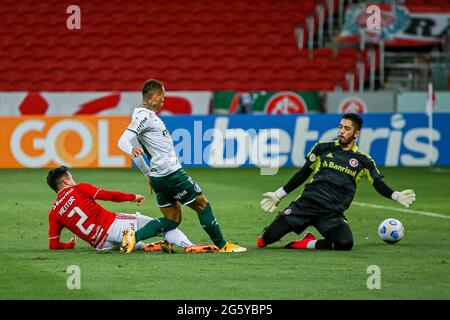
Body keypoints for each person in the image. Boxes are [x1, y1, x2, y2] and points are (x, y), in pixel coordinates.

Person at [117, 79, 246, 253]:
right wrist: (132, 149)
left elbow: (136, 152)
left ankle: (133, 236)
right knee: (202, 205)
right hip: (171, 174)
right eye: (162, 97)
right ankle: (222, 245)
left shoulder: (141, 117)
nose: (164, 100)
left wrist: (148, 174)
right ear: (154, 97)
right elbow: (123, 141)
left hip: (158, 177)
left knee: (172, 220)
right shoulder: (144, 117)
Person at [257, 113, 416, 251]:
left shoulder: (364, 161)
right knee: (264, 241)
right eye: (340, 127)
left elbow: (377, 183)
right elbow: (304, 172)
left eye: (347, 128)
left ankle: (306, 243)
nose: (341, 131)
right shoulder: (322, 148)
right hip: (305, 205)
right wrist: (279, 195)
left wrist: (395, 195)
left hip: (331, 213)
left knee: (345, 244)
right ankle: (272, 229)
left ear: (356, 133)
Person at [47, 166, 216, 253]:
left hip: (101, 245)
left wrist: (68, 245)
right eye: (71, 177)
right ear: (66, 181)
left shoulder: (54, 213)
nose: (74, 180)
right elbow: (107, 195)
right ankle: (189, 246)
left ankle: (145, 246)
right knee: (162, 225)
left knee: (129, 239)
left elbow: (53, 245)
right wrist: (132, 196)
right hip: (114, 226)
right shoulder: (78, 189)